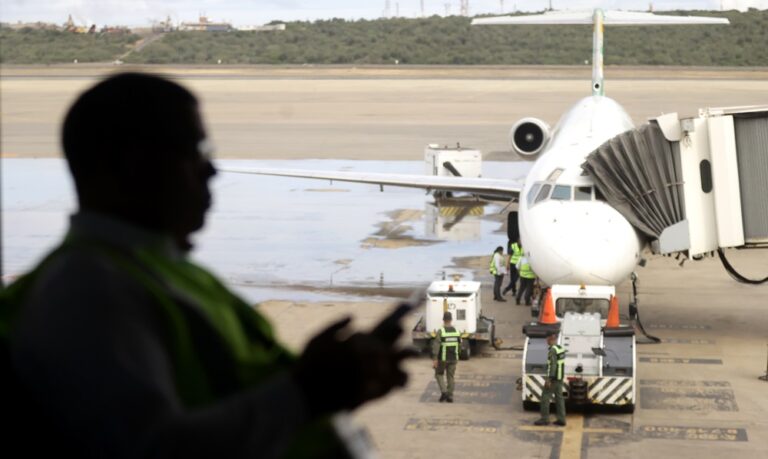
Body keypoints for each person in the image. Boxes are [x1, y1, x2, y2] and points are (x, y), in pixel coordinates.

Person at [0, 73, 414, 458]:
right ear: (132, 164)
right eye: (195, 152)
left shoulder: (163, 273)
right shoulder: (88, 290)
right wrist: (306, 393)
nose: (212, 170)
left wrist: (339, 385)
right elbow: (154, 449)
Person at [535, 332, 567, 427]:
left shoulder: (552, 350)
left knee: (545, 397)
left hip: (553, 379)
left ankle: (545, 419)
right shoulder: (560, 348)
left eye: (547, 339)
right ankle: (561, 419)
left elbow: (553, 365)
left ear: (551, 338)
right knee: (559, 399)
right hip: (560, 377)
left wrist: (549, 379)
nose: (546, 341)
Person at [432, 311, 461, 403]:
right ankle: (450, 396)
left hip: (443, 359)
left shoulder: (441, 331)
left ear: (443, 320)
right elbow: (460, 345)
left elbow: (436, 345)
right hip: (454, 358)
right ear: (451, 320)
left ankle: (444, 392)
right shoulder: (457, 331)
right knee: (450, 377)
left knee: (438, 374)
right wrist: (457, 355)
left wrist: (435, 358)